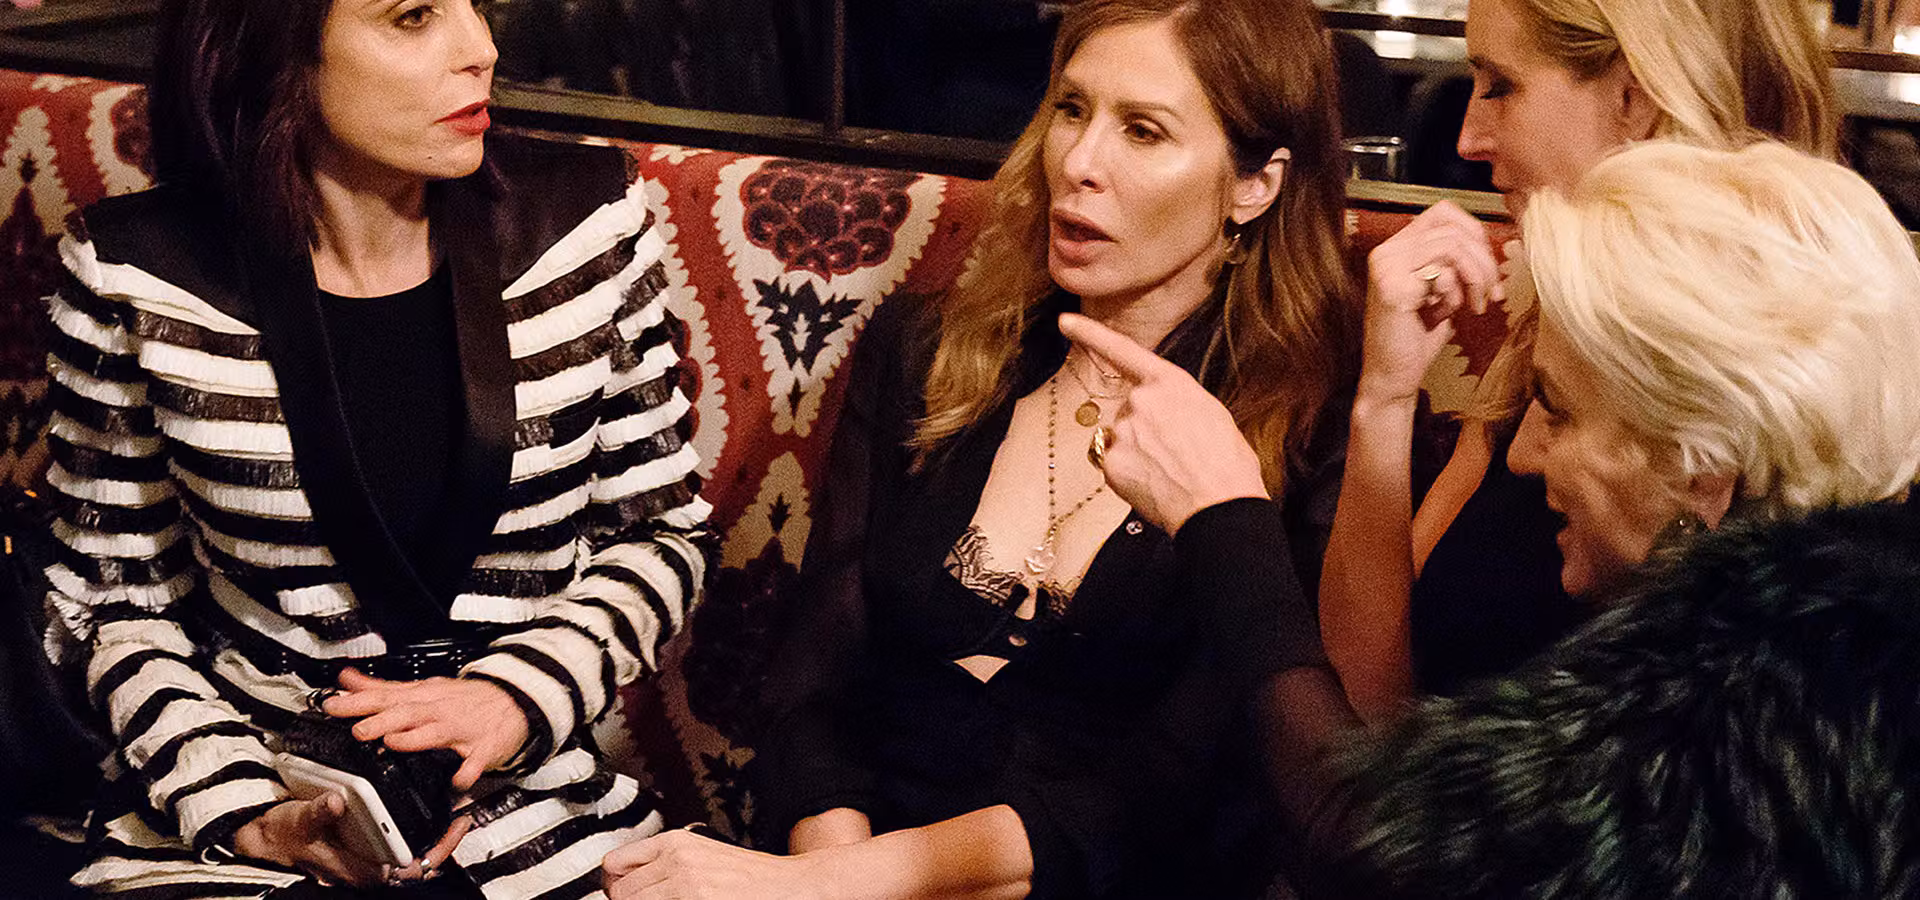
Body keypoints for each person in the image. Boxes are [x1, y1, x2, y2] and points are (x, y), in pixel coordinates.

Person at [600, 0, 1353, 896]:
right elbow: (814, 681)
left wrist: (839, 887)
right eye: (1071, 109)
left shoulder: (1305, 430)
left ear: (1254, 185)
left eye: (1143, 131)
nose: (1079, 162)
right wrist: (828, 868)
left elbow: (1168, 789)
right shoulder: (927, 347)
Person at [1071, 138, 1920, 896]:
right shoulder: (1837, 632)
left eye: (1558, 410)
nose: (1524, 456)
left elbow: (1376, 865)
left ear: (1702, 473)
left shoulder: (1756, 717)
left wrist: (1225, 520)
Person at [43, 0, 709, 895]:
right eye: (413, 16)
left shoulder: (586, 220)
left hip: (532, 812)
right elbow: (112, 600)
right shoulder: (134, 270)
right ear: (276, 50)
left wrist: (515, 697)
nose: (482, 50)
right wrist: (246, 811)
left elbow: (663, 533)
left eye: (475, 6)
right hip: (252, 798)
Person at [1317, 0, 1838, 721]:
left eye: (1500, 86)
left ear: (1634, 101)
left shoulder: (1783, 384)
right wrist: (1386, 397)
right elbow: (1374, 704)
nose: (1467, 138)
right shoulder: (1548, 328)